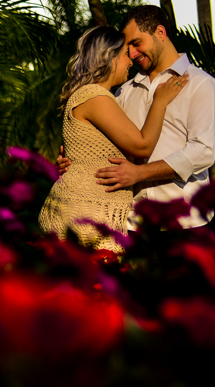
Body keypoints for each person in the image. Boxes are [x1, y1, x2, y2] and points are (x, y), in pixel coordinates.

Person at [58, 5, 215, 240]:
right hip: (133, 226)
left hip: (187, 224)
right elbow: (103, 145)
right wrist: (74, 162)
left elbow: (203, 152)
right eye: (128, 48)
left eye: (136, 43)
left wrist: (140, 173)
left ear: (160, 33)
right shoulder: (122, 92)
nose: (132, 54)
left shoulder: (201, 83)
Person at [38, 25, 188, 251]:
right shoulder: (94, 95)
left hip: (85, 211)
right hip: (84, 216)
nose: (131, 61)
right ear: (110, 58)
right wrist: (160, 101)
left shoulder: (96, 96)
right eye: (126, 55)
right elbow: (142, 146)